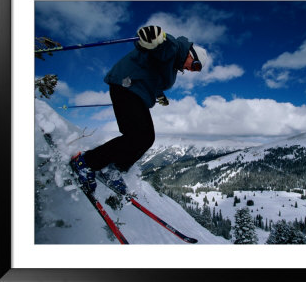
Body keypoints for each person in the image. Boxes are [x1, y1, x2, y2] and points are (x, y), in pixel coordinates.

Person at [70, 26, 208, 193]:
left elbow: (153, 76)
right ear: (190, 53)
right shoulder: (173, 47)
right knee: (139, 136)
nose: (191, 70)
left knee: (145, 138)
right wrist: (153, 37)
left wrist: (159, 95)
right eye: (195, 66)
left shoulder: (172, 65)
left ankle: (115, 170)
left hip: (137, 92)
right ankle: (85, 163)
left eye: (195, 70)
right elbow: (154, 44)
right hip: (127, 86)